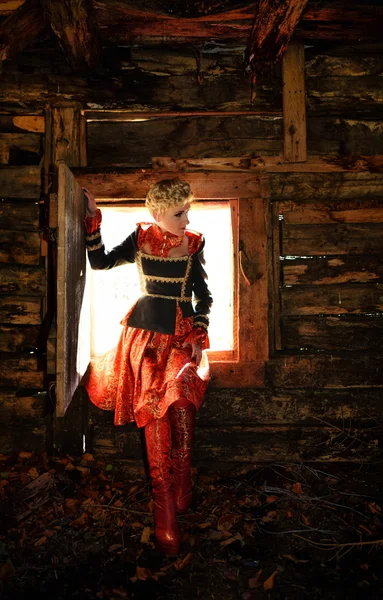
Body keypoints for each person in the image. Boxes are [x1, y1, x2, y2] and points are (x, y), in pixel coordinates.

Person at [83, 178, 213, 556]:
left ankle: (183, 477)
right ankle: (165, 509)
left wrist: (199, 331)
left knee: (182, 400)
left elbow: (203, 296)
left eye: (188, 211)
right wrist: (93, 219)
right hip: (143, 337)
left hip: (181, 336)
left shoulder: (195, 244)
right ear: (157, 213)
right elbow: (100, 262)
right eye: (179, 212)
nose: (186, 219)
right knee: (154, 410)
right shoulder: (139, 239)